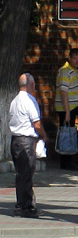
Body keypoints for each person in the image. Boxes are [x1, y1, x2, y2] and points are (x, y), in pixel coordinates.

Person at [9, 73, 46, 218]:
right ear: (31, 85)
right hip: (26, 141)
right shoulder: (30, 100)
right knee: (26, 175)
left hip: (15, 140)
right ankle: (24, 207)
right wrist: (44, 135)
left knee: (21, 174)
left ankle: (25, 204)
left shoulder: (14, 101)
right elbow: (36, 123)